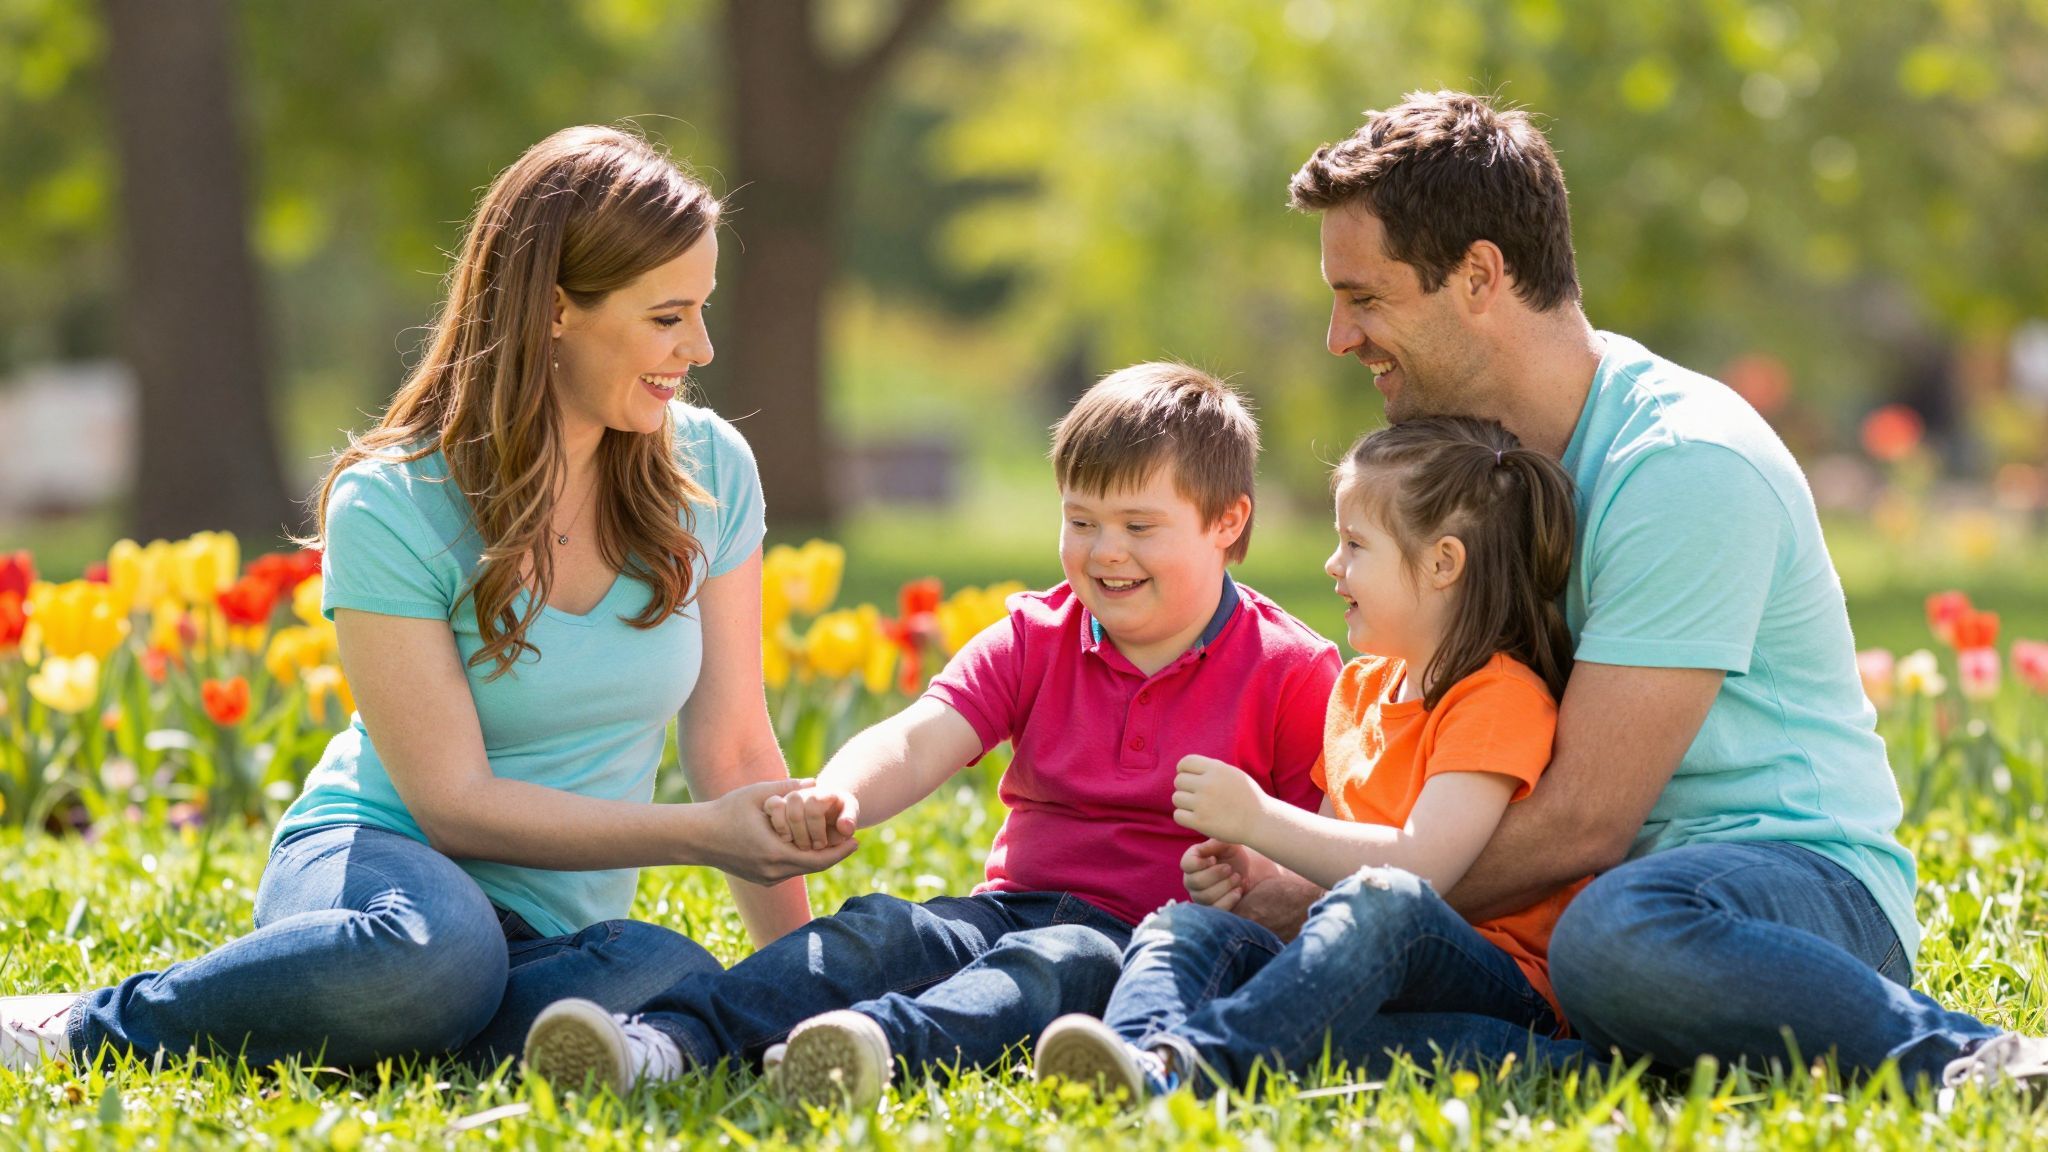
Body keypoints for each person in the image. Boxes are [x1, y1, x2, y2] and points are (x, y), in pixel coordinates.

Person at [1221, 89, 2046, 1096]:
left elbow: (1582, 825)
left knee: (1612, 936)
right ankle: (1596, 1063)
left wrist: (1320, 907)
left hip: (1787, 893)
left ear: (1478, 276)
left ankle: (1963, 1057)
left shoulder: (1682, 463)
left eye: (1364, 298)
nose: (1338, 337)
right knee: (1411, 994)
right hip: (1576, 912)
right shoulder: (1472, 478)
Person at [0, 125, 850, 1073]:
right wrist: (698, 835)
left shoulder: (710, 471)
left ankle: (372, 1020)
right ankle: (82, 1027)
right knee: (437, 954)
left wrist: (798, 993)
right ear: (555, 309)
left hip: (549, 931)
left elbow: (733, 748)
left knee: (671, 974)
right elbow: (452, 805)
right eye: (667, 317)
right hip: (383, 868)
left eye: (702, 309)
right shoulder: (396, 499)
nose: (700, 346)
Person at [519, 362, 1341, 1107]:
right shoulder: (1037, 635)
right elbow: (919, 738)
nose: (1104, 552)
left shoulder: (1292, 669)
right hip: (1009, 907)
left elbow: (1329, 849)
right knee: (883, 929)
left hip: (1143, 954)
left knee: (1051, 967)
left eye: (1138, 526)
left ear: (1226, 521)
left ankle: (869, 1048)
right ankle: (664, 1042)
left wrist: (1258, 874)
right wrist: (841, 795)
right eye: (1081, 521)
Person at [1033, 416, 1593, 1100]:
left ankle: (1194, 1067)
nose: (1332, 564)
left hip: (1493, 990)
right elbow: (1329, 862)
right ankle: (1140, 1068)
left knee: (1385, 903)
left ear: (1444, 563)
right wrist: (1258, 870)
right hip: (1361, 986)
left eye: (1355, 544)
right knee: (1185, 931)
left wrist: (1262, 819)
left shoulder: (1498, 697)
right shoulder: (1358, 689)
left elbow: (1421, 871)